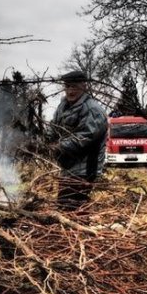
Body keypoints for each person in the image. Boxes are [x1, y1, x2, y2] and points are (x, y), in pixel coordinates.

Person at [47, 70, 108, 210]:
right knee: (66, 207)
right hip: (68, 167)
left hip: (84, 170)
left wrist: (57, 147)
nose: (70, 90)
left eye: (74, 86)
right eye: (67, 86)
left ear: (84, 86)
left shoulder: (93, 110)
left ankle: (79, 230)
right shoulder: (63, 105)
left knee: (71, 209)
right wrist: (44, 141)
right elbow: (54, 127)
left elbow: (84, 138)